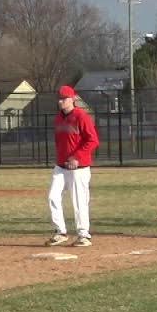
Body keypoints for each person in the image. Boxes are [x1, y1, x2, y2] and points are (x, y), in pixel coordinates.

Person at [47, 85, 100, 247]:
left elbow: (93, 140)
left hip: (79, 168)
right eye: (59, 98)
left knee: (79, 201)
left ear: (73, 99)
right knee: (53, 196)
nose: (61, 101)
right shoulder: (58, 118)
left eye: (64, 98)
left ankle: (84, 235)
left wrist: (77, 157)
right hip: (61, 166)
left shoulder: (81, 116)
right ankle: (60, 232)